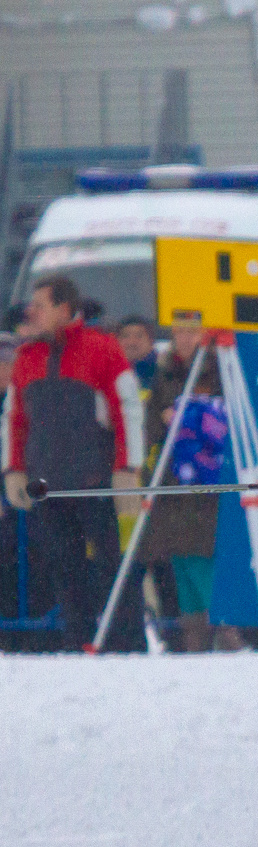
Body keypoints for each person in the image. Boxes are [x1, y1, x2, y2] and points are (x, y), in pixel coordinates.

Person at [1, 274, 146, 651]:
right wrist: (13, 468)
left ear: (64, 309)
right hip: (48, 483)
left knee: (113, 564)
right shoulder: (28, 356)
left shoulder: (101, 348)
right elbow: (15, 418)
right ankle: (78, 643)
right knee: (64, 568)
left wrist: (128, 469)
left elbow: (127, 409)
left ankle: (127, 644)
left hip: (96, 479)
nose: (32, 311)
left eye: (41, 304)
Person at [138, 313, 233, 652]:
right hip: (173, 479)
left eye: (191, 332)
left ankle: (223, 630)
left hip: (208, 480)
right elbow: (150, 426)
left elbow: (228, 419)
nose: (184, 339)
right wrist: (167, 420)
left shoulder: (220, 370)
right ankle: (194, 635)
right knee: (179, 557)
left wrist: (195, 414)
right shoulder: (165, 373)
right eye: (178, 332)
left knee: (203, 553)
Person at [117, 317, 158, 391]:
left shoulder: (164, 373)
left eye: (139, 336)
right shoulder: (108, 374)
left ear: (151, 341)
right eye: (125, 336)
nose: (131, 342)